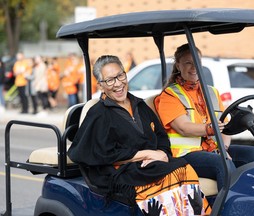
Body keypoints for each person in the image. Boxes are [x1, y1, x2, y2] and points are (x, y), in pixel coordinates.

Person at [68, 55, 211, 215]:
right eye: (110, 80)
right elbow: (101, 153)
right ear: (101, 86)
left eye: (120, 75)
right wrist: (146, 154)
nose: (118, 84)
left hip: (150, 164)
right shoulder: (99, 114)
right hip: (122, 169)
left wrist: (161, 153)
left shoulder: (140, 105)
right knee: (167, 178)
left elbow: (161, 136)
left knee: (184, 169)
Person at [155, 43, 254, 191]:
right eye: (188, 63)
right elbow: (183, 127)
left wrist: (223, 148)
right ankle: (230, 210)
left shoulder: (212, 92)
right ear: (178, 66)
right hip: (184, 155)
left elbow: (224, 127)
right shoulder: (169, 95)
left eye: (197, 63)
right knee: (222, 163)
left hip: (213, 149)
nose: (194, 67)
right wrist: (209, 129)